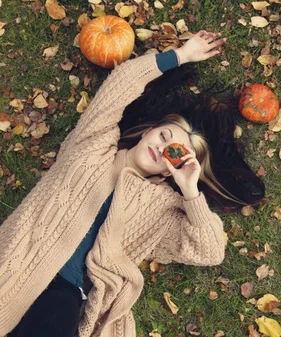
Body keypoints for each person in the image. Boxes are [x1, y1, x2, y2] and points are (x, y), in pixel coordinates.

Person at [0, 30, 264, 337]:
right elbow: (121, 83)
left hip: (65, 290)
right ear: (148, 131)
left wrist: (190, 190)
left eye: (173, 154)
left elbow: (210, 251)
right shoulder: (94, 144)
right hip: (20, 255)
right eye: (164, 136)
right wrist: (181, 55)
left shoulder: (162, 209)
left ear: (171, 171)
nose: (163, 147)